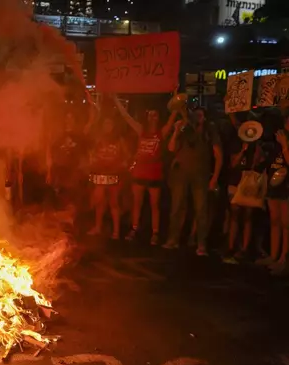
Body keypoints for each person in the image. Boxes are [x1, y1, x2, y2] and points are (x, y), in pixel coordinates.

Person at [114, 96, 178, 245]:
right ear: (147, 117)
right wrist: (117, 101)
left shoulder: (162, 132)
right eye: (150, 115)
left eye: (155, 115)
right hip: (140, 171)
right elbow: (126, 117)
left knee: (154, 205)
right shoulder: (141, 130)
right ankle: (134, 229)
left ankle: (155, 233)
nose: (152, 117)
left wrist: (176, 100)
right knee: (137, 202)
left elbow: (172, 119)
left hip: (154, 172)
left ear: (158, 117)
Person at [164, 107, 223, 256]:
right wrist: (176, 131)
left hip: (201, 176)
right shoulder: (185, 130)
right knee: (176, 207)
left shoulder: (210, 131)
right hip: (181, 174)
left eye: (200, 115)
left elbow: (218, 155)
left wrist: (215, 177)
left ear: (204, 117)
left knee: (201, 210)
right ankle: (173, 240)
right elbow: (171, 148)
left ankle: (201, 244)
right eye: (195, 115)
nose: (197, 118)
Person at [222, 133, 263, 264]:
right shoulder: (236, 143)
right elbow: (233, 164)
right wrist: (242, 151)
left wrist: (257, 152)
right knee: (234, 214)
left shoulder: (257, 146)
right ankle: (231, 246)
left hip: (248, 184)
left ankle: (244, 248)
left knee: (248, 216)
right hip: (235, 183)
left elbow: (258, 164)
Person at [87, 115, 128, 240]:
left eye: (110, 123)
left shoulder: (119, 140)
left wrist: (123, 164)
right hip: (101, 173)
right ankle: (98, 227)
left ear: (114, 126)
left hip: (114, 174)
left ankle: (116, 231)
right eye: (105, 124)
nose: (107, 126)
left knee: (113, 203)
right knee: (100, 202)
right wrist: (92, 159)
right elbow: (92, 154)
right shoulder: (99, 139)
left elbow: (127, 156)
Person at [259, 119, 289, 275]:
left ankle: (283, 259)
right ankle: (273, 255)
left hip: (286, 189)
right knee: (275, 222)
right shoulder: (274, 145)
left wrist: (285, 145)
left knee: (286, 225)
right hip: (273, 187)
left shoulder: (284, 144)